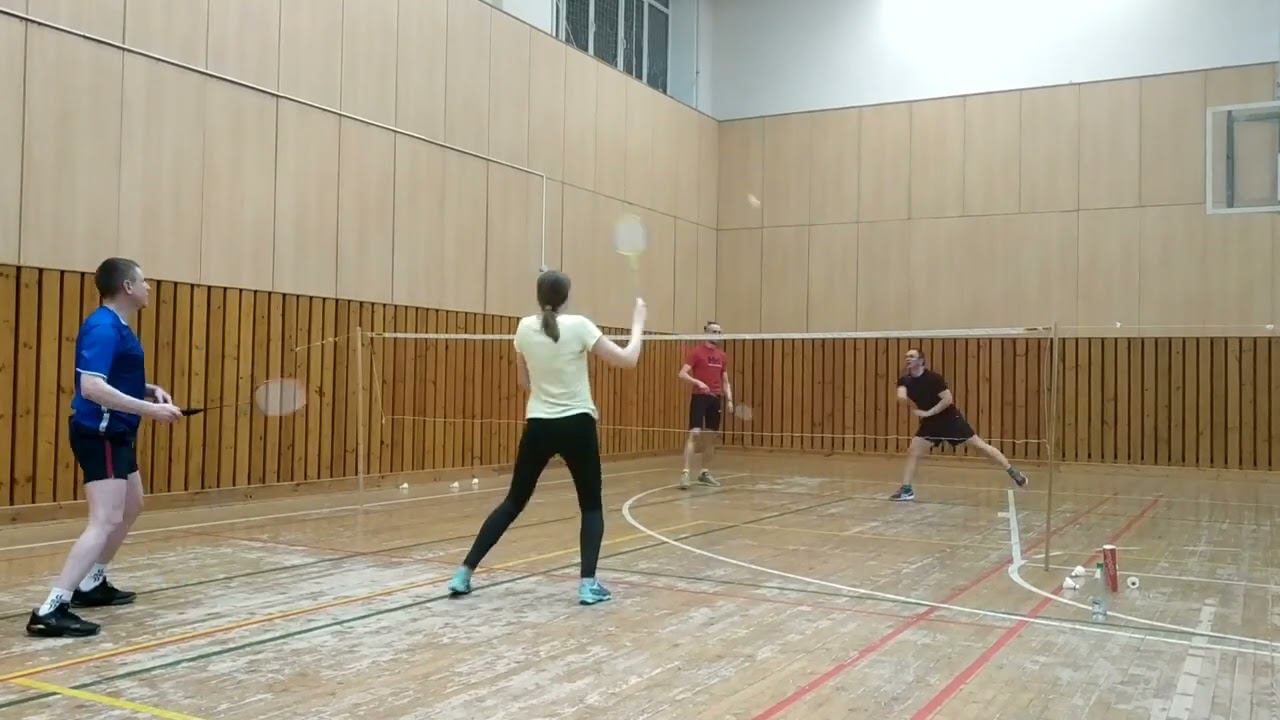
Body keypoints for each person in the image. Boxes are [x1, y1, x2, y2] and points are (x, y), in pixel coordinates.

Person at [447, 270, 646, 606]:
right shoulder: (580, 326)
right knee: (591, 506)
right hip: (578, 425)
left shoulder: (524, 328)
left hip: (539, 424)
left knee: (513, 502)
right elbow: (629, 360)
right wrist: (638, 323)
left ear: (539, 297)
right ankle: (588, 585)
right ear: (566, 297)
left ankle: (464, 573)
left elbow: (524, 382)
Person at [26, 258, 183, 638]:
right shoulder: (103, 327)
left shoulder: (119, 326)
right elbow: (92, 387)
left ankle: (92, 583)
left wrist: (148, 390)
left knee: (132, 505)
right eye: (143, 281)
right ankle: (51, 608)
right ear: (127, 286)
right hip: (101, 434)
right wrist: (150, 410)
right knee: (105, 520)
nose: (148, 287)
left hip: (118, 432)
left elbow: (110, 378)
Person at [891, 348, 1028, 502]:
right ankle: (906, 489)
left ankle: (1012, 471)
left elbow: (947, 399)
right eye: (906, 356)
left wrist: (928, 412)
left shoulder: (934, 378)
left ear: (921, 361)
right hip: (930, 423)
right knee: (913, 451)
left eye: (912, 356)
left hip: (950, 419)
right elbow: (902, 397)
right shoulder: (904, 380)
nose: (908, 358)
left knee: (980, 447)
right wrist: (902, 396)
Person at [677, 321, 732, 489]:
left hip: (715, 399)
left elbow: (725, 381)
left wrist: (729, 399)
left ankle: (704, 473)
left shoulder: (722, 356)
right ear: (706, 333)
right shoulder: (696, 352)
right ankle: (685, 473)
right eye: (714, 332)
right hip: (699, 397)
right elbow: (682, 374)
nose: (717, 335)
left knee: (710, 438)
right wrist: (698, 382)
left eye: (719, 332)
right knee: (694, 434)